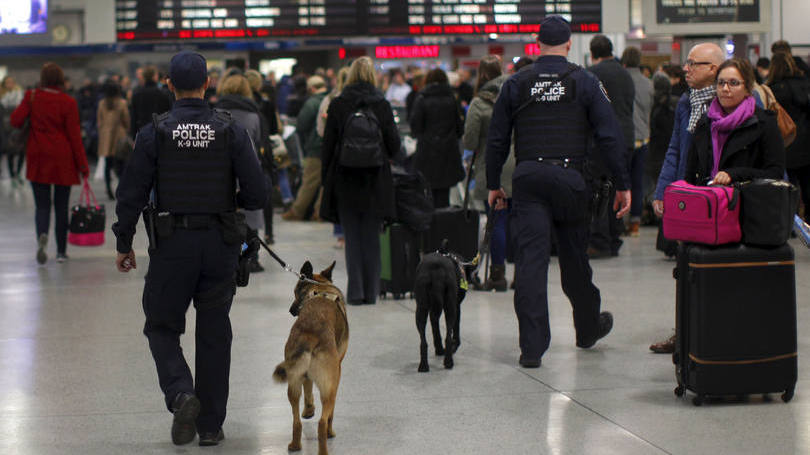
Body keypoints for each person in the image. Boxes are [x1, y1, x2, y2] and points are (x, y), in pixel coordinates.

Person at [111, 51, 266, 447]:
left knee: (161, 325)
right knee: (214, 333)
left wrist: (124, 241)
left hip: (172, 245)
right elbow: (257, 193)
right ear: (207, 84)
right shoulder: (230, 130)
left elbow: (130, 193)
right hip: (220, 245)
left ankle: (181, 393)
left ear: (169, 86)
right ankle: (211, 427)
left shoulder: (155, 132)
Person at [486, 16, 631, 368]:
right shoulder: (584, 81)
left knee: (531, 263)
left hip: (529, 178)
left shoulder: (516, 83)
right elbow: (609, 136)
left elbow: (497, 138)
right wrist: (623, 183)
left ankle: (532, 349)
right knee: (574, 259)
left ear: (537, 44)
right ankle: (586, 328)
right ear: (569, 45)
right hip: (570, 180)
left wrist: (493, 183)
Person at [648, 42, 725, 353]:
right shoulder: (686, 103)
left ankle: (714, 334)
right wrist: (663, 190)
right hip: (687, 197)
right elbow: (675, 150)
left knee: (715, 267)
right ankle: (683, 335)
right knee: (684, 265)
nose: (686, 69)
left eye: (695, 64)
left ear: (714, 70)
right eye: (687, 63)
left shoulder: (730, 103)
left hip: (717, 199)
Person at [320, 56, 400, 305]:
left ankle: (355, 292)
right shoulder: (382, 104)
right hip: (375, 179)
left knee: (352, 238)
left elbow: (328, 146)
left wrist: (327, 181)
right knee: (372, 237)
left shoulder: (338, 104)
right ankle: (372, 291)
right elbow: (394, 146)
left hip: (345, 179)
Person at [11, 63, 89, 264]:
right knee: (62, 207)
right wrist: (83, 166)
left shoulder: (32, 97)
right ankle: (61, 252)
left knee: (42, 206)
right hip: (62, 158)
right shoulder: (68, 102)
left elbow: (15, 121)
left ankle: (42, 237)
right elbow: (74, 137)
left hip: (38, 156)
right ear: (61, 80)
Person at [685, 58, 785, 186]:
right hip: (708, 200)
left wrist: (734, 175)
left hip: (747, 201)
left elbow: (775, 173)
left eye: (733, 83)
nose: (725, 89)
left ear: (748, 88)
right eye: (721, 83)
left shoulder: (763, 123)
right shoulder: (705, 122)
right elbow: (690, 171)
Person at [462, 54, 514, 291]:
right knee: (521, 221)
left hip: (490, 167)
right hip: (519, 165)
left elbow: (470, 142)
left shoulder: (479, 103)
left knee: (497, 221)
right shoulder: (515, 94)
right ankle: (522, 273)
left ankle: (497, 274)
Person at [586, 34, 635, 258]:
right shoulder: (625, 74)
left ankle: (599, 240)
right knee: (619, 187)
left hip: (603, 140)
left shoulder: (593, 75)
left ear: (593, 53)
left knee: (600, 189)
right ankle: (615, 236)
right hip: (627, 137)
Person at [214, 73, 267, 272]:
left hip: (221, 172)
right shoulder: (254, 115)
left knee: (226, 216)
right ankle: (250, 256)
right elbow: (260, 142)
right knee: (251, 217)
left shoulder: (214, 114)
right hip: (249, 170)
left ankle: (229, 253)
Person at [409, 68, 465, 208]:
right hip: (448, 155)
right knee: (444, 196)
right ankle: (444, 228)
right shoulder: (452, 99)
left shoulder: (422, 98)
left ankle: (431, 227)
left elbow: (415, 128)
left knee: (428, 196)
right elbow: (460, 129)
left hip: (427, 154)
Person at [766, 53, 810, 218]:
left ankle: (791, 220)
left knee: (788, 185)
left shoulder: (772, 89)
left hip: (785, 141)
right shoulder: (804, 84)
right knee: (807, 185)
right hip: (806, 141)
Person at [282, 75, 328, 221]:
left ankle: (297, 211)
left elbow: (301, 124)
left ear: (311, 88)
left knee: (309, 181)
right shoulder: (331, 99)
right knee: (325, 183)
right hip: (329, 147)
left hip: (315, 146)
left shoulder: (312, 102)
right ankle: (320, 212)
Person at [621, 46, 654, 236]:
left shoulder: (619, 81)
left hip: (623, 139)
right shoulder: (648, 84)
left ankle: (619, 219)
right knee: (638, 181)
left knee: (620, 180)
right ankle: (635, 222)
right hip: (643, 138)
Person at [317, 66, 351, 249]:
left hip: (338, 157)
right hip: (363, 158)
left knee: (339, 196)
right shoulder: (367, 100)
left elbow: (321, 130)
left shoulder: (331, 100)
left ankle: (341, 236)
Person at [96, 80, 130, 200]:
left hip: (106, 137)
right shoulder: (122, 103)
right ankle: (121, 188)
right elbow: (126, 120)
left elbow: (99, 120)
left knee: (107, 165)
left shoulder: (101, 104)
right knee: (121, 165)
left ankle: (108, 188)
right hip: (119, 136)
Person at [130, 66, 173, 135]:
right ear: (155, 77)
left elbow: (133, 118)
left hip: (142, 132)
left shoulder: (136, 95)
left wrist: (133, 135)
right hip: (159, 132)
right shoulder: (163, 95)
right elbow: (168, 115)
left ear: (143, 77)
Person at [1, 76, 25, 183]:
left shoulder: (20, 95)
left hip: (19, 126)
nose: (10, 84)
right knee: (9, 151)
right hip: (5, 127)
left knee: (21, 151)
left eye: (11, 82)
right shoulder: (1, 96)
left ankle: (18, 172)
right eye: (7, 82)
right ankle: (11, 174)